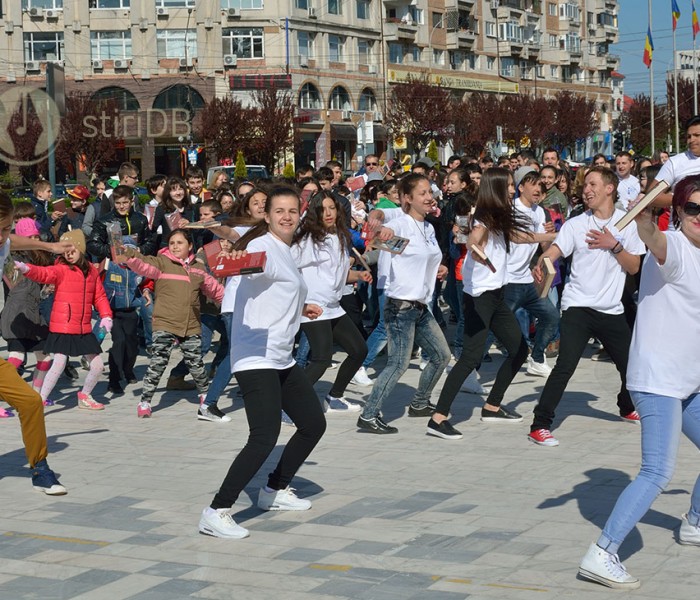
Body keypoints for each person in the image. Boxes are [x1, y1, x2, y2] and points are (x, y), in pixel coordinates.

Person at [578, 175, 700, 590]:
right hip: (657, 379)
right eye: (693, 209)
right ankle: (602, 552)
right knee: (657, 471)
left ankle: (695, 522)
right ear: (679, 213)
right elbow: (653, 239)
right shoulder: (675, 246)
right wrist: (646, 219)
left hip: (689, 381)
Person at [199, 187, 326, 539]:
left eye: (292, 211)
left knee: (313, 424)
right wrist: (226, 255)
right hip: (256, 355)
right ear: (266, 216)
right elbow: (244, 269)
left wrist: (299, 309)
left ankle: (272, 491)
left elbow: (271, 293)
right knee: (264, 436)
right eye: (279, 211)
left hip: (280, 356)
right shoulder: (261, 246)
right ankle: (216, 510)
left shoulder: (284, 250)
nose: (286, 216)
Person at [527, 167, 646, 447]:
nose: (587, 191)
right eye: (584, 187)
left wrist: (613, 245)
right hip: (578, 306)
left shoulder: (627, 222)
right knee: (565, 366)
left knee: (632, 366)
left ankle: (626, 405)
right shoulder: (575, 224)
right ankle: (540, 424)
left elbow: (634, 266)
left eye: (593, 184)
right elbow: (554, 252)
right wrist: (543, 263)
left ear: (610, 188)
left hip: (611, 309)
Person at [430, 168, 532, 440]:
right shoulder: (483, 217)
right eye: (509, 186)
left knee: (519, 349)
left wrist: (554, 238)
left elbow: (521, 237)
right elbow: (472, 237)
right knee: (470, 358)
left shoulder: (497, 216)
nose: (513, 190)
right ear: (497, 188)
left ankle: (492, 406)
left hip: (496, 295)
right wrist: (475, 245)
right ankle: (438, 418)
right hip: (479, 298)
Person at [356, 173, 451, 434]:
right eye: (422, 193)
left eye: (430, 192)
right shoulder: (402, 222)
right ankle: (368, 415)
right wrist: (379, 224)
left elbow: (424, 258)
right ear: (407, 199)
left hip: (420, 306)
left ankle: (420, 403)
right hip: (400, 307)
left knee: (441, 356)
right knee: (397, 364)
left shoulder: (429, 228)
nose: (429, 197)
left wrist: (439, 268)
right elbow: (381, 227)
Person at [116, 229, 224, 418]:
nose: (175, 246)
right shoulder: (162, 263)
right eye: (172, 243)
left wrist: (233, 301)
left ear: (190, 246)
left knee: (196, 364)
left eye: (180, 243)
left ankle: (206, 398)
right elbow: (143, 264)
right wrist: (128, 253)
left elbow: (215, 290)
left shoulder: (198, 269)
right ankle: (145, 401)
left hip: (190, 324)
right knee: (158, 362)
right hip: (165, 322)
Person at [0, 194, 67, 495]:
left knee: (30, 402)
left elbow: (14, 242)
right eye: (0, 229)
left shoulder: (4, 243)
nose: (3, 237)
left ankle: (40, 469)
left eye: (6, 228)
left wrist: (50, 246)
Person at [16, 229, 113, 410]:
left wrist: (106, 315)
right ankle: (40, 400)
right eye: (65, 251)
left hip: (83, 328)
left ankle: (84, 395)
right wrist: (26, 269)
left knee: (98, 366)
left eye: (72, 250)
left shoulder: (91, 271)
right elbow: (44, 274)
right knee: (58, 364)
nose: (68, 254)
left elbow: (99, 296)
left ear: (81, 249)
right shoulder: (61, 269)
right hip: (64, 327)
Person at [293, 191, 370, 412]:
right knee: (321, 358)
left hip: (333, 306)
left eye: (332, 208)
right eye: (322, 209)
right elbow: (287, 268)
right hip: (313, 306)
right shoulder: (307, 240)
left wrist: (359, 275)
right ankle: (290, 405)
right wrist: (301, 303)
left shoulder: (339, 236)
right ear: (315, 212)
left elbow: (338, 275)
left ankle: (334, 396)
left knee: (359, 350)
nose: (328, 213)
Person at [504, 171, 559, 377]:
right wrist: (552, 234)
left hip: (526, 278)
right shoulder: (510, 209)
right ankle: (472, 368)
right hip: (507, 279)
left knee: (552, 316)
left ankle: (537, 358)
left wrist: (549, 235)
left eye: (540, 186)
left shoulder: (540, 212)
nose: (538, 189)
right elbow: (520, 237)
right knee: (495, 327)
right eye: (533, 184)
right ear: (520, 188)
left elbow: (543, 245)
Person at [1, 218, 52, 406]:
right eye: (29, 237)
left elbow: (35, 291)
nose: (34, 240)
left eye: (35, 236)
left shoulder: (37, 258)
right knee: (16, 358)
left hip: (33, 317)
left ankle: (36, 395)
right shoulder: (11, 259)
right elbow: (15, 284)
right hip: (16, 315)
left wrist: (46, 291)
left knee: (45, 357)